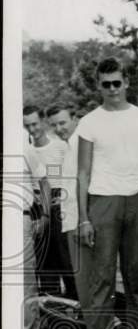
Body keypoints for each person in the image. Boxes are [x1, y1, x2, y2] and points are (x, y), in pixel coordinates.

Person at [76, 57, 138, 329]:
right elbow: (82, 173)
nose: (113, 89)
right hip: (104, 200)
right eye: (106, 84)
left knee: (136, 274)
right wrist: (83, 218)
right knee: (102, 275)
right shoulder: (89, 121)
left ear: (126, 82)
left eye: (117, 83)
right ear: (98, 86)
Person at [23, 105, 76, 299]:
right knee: (44, 262)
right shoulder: (25, 149)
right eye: (27, 126)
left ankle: (75, 305)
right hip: (35, 207)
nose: (32, 130)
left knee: (66, 259)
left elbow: (66, 178)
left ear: (43, 122)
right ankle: (52, 309)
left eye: (35, 124)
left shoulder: (59, 147)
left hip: (58, 207)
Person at [46, 102, 91, 313]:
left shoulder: (83, 143)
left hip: (82, 221)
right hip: (70, 219)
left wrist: (86, 219)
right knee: (79, 277)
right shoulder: (68, 146)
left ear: (75, 118)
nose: (59, 129)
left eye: (63, 122)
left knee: (90, 280)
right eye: (54, 125)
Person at [19, 144, 52, 329]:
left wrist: (46, 215)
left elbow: (43, 181)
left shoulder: (22, 144)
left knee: (25, 282)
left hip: (19, 217)